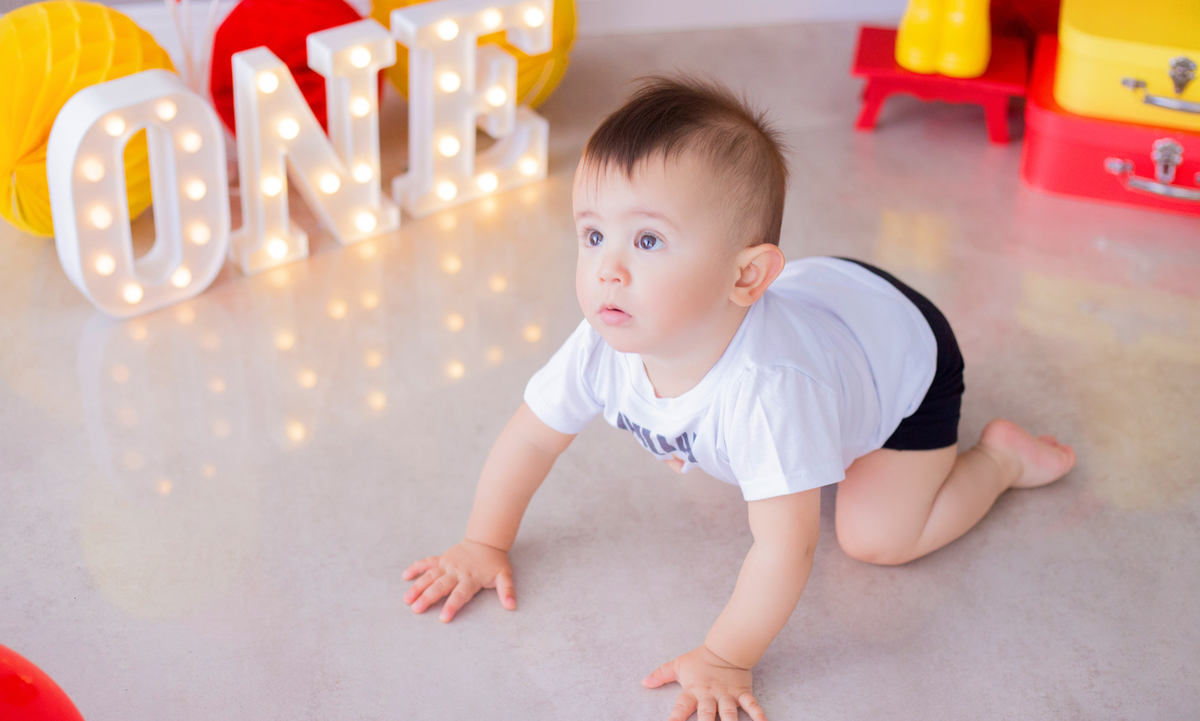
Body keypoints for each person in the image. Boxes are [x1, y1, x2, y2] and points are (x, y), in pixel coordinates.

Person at [401, 76, 1076, 721]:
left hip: (899, 356)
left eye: (647, 239)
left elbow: (787, 550)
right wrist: (482, 541)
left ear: (745, 274)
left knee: (876, 538)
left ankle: (1001, 461)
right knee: (736, 470)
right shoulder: (603, 341)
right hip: (825, 300)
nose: (607, 266)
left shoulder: (771, 392)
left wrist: (727, 656)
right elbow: (530, 437)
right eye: (593, 234)